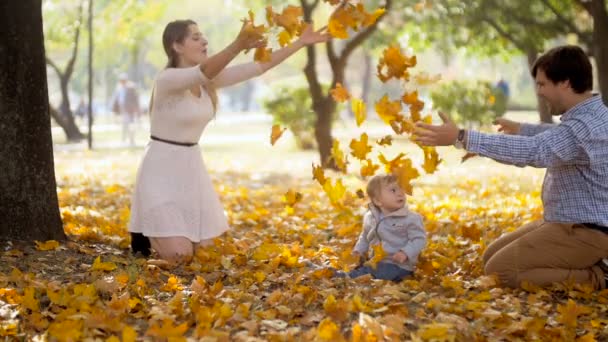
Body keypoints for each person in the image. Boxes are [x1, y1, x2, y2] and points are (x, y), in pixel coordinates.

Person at [128, 19, 330, 262]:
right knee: (179, 256)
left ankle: (166, 235)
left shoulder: (208, 82)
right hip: (160, 172)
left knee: (208, 253)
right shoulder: (167, 79)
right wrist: (237, 45)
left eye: (202, 35)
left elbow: (259, 67)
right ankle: (145, 236)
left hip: (191, 170)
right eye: (195, 37)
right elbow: (203, 71)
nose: (204, 41)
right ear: (176, 46)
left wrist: (300, 43)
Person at [414, 45, 608, 290]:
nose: (539, 92)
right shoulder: (593, 116)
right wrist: (522, 129)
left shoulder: (582, 129)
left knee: (500, 271)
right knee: (490, 256)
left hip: (585, 232)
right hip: (566, 221)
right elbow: (558, 136)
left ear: (565, 83)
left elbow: (536, 151)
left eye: (542, 84)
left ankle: (599, 276)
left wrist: (462, 137)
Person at [330, 174, 427, 282]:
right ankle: (352, 273)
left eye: (401, 189)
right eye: (393, 190)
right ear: (377, 201)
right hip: (376, 261)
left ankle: (350, 277)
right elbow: (365, 237)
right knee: (369, 267)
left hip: (399, 265)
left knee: (380, 271)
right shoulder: (370, 217)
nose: (400, 193)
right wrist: (358, 251)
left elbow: (419, 239)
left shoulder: (411, 218)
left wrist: (405, 253)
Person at [111, 73, 141, 146]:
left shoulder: (131, 88)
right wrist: (115, 110)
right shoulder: (119, 88)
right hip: (122, 109)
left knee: (130, 125)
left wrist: (137, 109)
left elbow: (136, 99)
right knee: (124, 125)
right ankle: (124, 139)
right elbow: (117, 100)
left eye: (123, 80)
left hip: (129, 110)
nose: (122, 82)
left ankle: (131, 139)